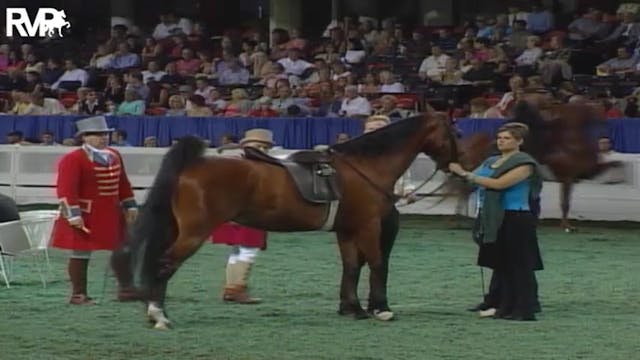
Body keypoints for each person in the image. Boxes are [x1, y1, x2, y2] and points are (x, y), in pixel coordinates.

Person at [448, 122, 543, 321]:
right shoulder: (491, 160)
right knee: (502, 263)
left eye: (507, 138)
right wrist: (461, 176)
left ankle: (524, 308)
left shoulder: (524, 163)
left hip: (515, 216)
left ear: (519, 141)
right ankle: (503, 304)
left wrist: (465, 174)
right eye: (500, 138)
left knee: (518, 265)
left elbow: (499, 184)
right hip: (492, 216)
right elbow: (475, 181)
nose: (501, 141)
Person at [50, 116, 141, 305]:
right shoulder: (73, 159)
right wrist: (73, 215)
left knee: (123, 249)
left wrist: (130, 204)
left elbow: (123, 183)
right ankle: (78, 294)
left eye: (105, 134)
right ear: (84, 137)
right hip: (86, 214)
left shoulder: (114, 154)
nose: (103, 138)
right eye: (97, 135)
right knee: (81, 253)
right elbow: (66, 190)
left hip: (111, 213)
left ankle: (126, 289)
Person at [210, 128, 273, 304]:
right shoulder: (252, 166)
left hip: (231, 212)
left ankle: (232, 288)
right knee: (248, 249)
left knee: (238, 250)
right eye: (260, 146)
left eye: (266, 147)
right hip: (247, 212)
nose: (263, 150)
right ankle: (237, 288)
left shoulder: (233, 163)